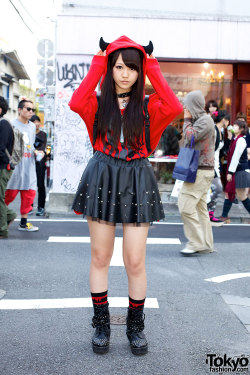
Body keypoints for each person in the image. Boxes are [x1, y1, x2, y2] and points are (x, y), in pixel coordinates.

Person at [69, 35, 183, 355]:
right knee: (100, 257)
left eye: (132, 68)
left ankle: (135, 327)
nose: (124, 74)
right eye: (118, 67)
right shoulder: (97, 105)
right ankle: (102, 326)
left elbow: (174, 105)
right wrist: (97, 61)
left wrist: (152, 66)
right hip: (102, 175)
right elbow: (77, 101)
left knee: (134, 259)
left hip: (137, 177)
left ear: (140, 72)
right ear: (110, 68)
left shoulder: (149, 107)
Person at [178, 90, 215, 255]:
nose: (185, 107)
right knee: (200, 209)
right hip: (200, 170)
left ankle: (196, 242)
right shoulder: (201, 120)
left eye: (187, 104)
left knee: (185, 206)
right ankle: (206, 244)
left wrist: (186, 118)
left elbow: (189, 136)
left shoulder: (205, 121)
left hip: (200, 171)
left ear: (194, 104)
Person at [5, 99, 39, 232]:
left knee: (29, 193)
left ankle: (24, 223)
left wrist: (36, 152)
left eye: (33, 110)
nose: (31, 112)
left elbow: (30, 145)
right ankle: (3, 218)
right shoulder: (10, 124)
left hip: (29, 165)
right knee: (8, 194)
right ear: (20, 110)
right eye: (28, 109)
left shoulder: (32, 126)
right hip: (14, 165)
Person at [220, 120, 250, 221]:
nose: (233, 126)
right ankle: (224, 215)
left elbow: (236, 157)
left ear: (241, 129)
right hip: (238, 170)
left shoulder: (241, 140)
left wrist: (230, 172)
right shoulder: (236, 139)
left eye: (236, 125)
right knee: (230, 192)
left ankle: (224, 216)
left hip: (240, 171)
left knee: (241, 195)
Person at [207, 110, 230, 225]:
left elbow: (222, 151)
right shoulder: (214, 130)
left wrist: (229, 138)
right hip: (210, 165)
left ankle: (209, 214)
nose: (229, 123)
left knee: (214, 189)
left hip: (216, 165)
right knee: (218, 188)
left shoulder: (220, 131)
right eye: (228, 120)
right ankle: (206, 212)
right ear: (224, 119)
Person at [0, 96, 16, 239]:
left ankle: (2, 230)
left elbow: (1, 148)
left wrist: (5, 164)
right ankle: (10, 215)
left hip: (2, 167)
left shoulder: (3, 124)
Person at [30, 115, 47, 216]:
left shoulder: (43, 134)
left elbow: (43, 147)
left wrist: (39, 152)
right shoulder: (29, 134)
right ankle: (29, 206)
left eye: (38, 121)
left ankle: (41, 207)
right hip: (30, 162)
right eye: (34, 121)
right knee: (29, 186)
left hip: (40, 163)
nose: (36, 123)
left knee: (40, 185)